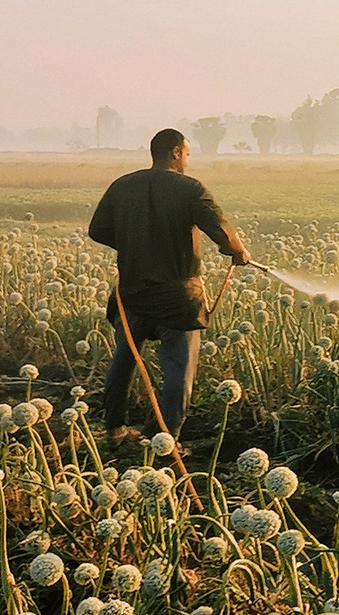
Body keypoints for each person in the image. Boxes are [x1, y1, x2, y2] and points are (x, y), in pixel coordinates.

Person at [88, 127, 251, 439]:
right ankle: (167, 439)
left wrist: (133, 244)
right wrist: (237, 251)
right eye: (187, 153)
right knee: (178, 368)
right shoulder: (190, 188)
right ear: (176, 152)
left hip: (131, 293)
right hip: (178, 298)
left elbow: (98, 230)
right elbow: (219, 228)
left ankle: (114, 428)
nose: (187, 160)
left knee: (123, 359)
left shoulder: (122, 186)